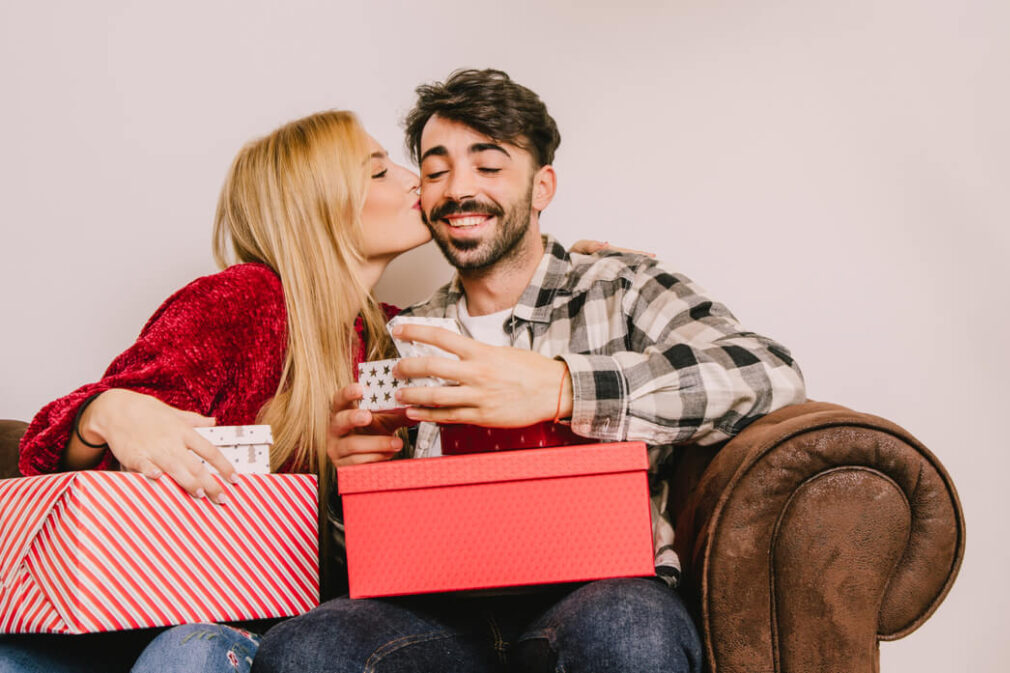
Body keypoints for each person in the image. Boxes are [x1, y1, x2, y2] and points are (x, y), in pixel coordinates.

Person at [252, 70, 807, 673]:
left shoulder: (620, 287)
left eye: (488, 167)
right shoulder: (401, 332)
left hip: (599, 592)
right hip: (438, 614)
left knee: (629, 632)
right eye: (436, 171)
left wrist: (563, 388)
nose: (459, 189)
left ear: (542, 187)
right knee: (306, 647)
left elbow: (768, 373)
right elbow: (366, 549)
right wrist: (350, 485)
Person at [4, 109, 429, 673]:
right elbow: (43, 455)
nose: (413, 178)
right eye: (378, 172)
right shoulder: (239, 303)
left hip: (296, 630)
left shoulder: (397, 338)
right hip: (148, 618)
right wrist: (108, 411)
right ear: (316, 206)